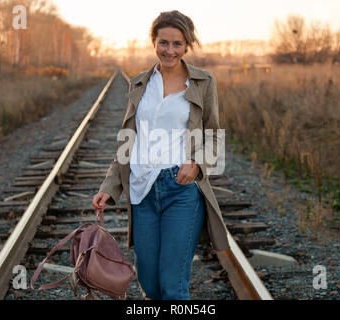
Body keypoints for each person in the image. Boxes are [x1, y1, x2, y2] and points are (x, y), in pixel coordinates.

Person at [93, 10, 230, 300]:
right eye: (164, 42)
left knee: (172, 284)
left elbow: (213, 134)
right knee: (149, 284)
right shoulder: (140, 83)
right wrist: (109, 187)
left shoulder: (203, 82)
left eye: (177, 44)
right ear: (153, 41)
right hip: (143, 190)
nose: (170, 50)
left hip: (180, 189)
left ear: (187, 45)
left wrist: (196, 163)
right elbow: (128, 140)